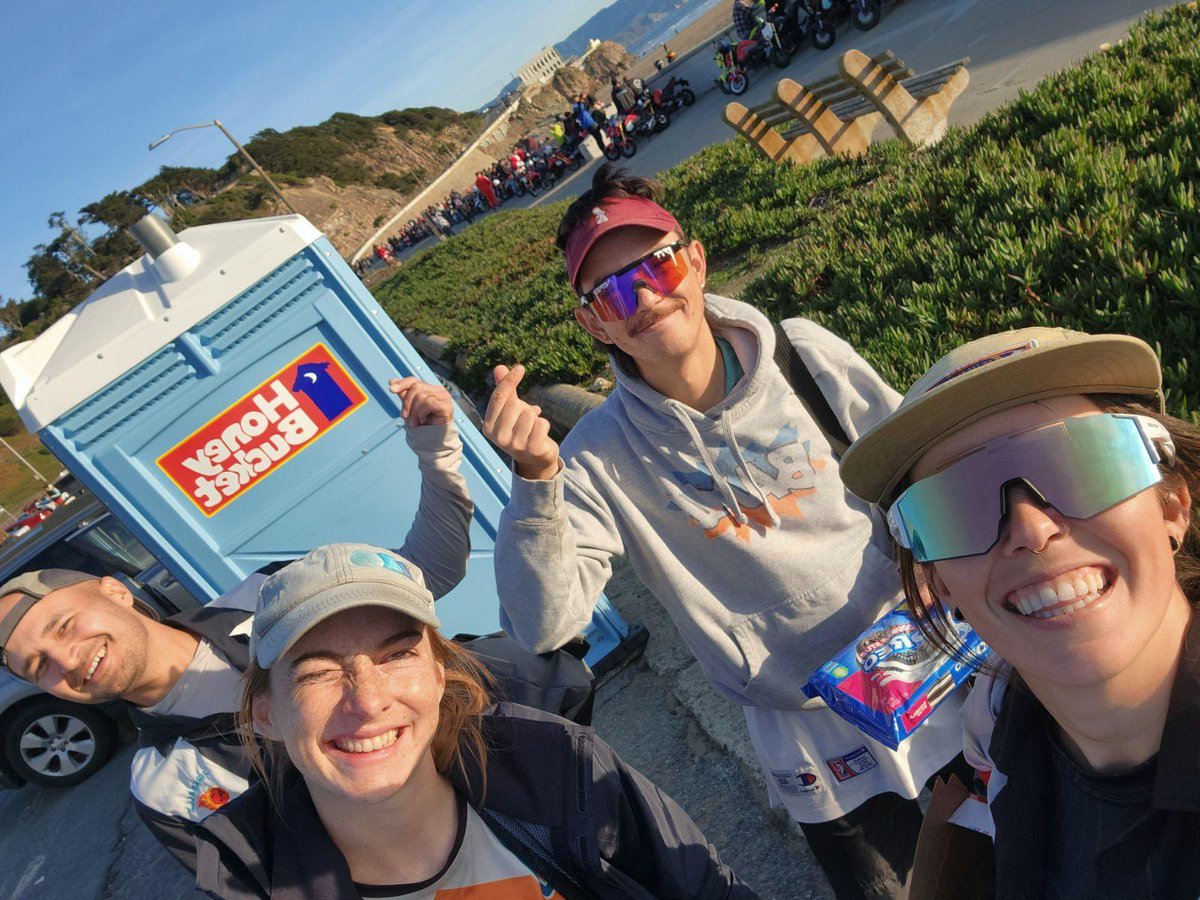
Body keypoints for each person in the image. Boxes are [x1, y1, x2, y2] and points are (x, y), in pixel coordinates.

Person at [481, 164, 966, 900]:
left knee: (1024, 842)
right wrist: (535, 482)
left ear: (696, 261)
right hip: (810, 729)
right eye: (611, 290)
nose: (643, 293)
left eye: (658, 263)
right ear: (593, 323)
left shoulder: (801, 353)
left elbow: (914, 463)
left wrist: (935, 556)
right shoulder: (596, 457)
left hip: (926, 658)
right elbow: (544, 622)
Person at [0, 378, 473, 873]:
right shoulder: (164, 787)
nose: (67, 660)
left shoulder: (267, 597)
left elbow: (430, 569)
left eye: (63, 625)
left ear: (115, 590)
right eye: (38, 666)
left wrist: (435, 449)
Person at [839, 327, 1200, 898]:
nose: (1031, 530)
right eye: (957, 505)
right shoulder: (996, 724)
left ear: (1172, 503)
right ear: (938, 583)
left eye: (1080, 464)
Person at [193, 542, 758, 899]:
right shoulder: (251, 878)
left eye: (396, 656)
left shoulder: (553, 763)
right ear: (265, 713)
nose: (367, 702)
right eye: (317, 672)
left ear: (439, 676)